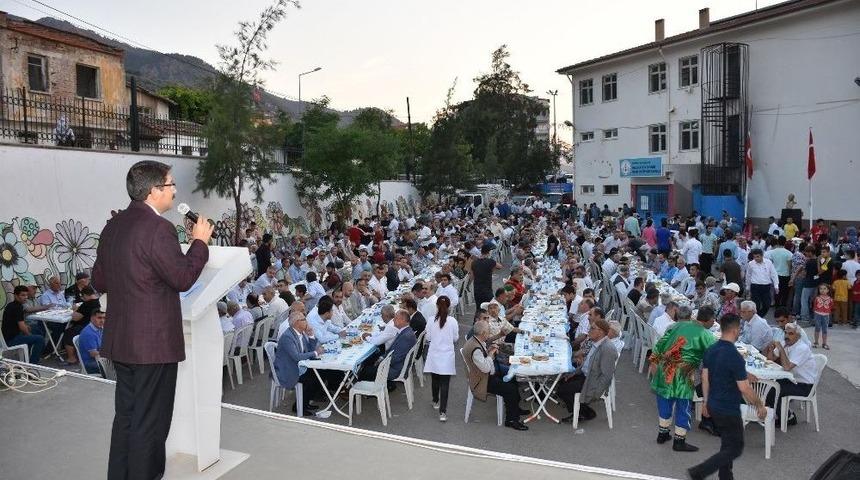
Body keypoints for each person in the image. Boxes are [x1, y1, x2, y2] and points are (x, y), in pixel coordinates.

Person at [92, 160, 212, 480]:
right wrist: (199, 241)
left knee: (127, 419)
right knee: (151, 425)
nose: (175, 191)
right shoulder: (159, 228)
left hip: (122, 343)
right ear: (154, 191)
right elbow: (183, 277)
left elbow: (100, 281)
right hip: (153, 346)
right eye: (171, 185)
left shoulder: (113, 226)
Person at [688, 314, 767, 480]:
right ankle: (700, 471)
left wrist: (705, 402)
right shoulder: (735, 356)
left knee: (727, 443)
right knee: (735, 447)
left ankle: (725, 476)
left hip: (714, 405)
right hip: (728, 408)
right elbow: (744, 388)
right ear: (736, 330)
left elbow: (705, 378)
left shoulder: (711, 350)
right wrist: (760, 404)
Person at [649, 305, 715, 452]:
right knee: (683, 405)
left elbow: (659, 346)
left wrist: (654, 364)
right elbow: (716, 354)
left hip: (665, 369)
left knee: (665, 401)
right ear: (710, 320)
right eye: (713, 320)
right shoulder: (706, 334)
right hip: (684, 373)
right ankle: (679, 440)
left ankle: (663, 433)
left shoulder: (676, 326)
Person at [463, 319, 528, 430]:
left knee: (512, 376)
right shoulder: (475, 349)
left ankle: (515, 408)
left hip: (486, 374)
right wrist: (491, 354)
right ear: (483, 333)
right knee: (510, 389)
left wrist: (489, 350)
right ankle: (511, 420)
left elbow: (484, 358)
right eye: (488, 331)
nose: (489, 333)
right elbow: (486, 368)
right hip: (482, 380)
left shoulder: (476, 340)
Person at [557, 318, 618, 423]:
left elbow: (606, 376)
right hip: (586, 375)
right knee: (562, 380)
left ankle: (583, 413)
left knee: (562, 390)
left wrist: (595, 393)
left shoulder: (607, 349)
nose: (589, 330)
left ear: (601, 332)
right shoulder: (596, 343)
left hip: (592, 381)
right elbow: (586, 365)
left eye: (592, 328)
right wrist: (574, 373)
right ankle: (580, 408)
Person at [764, 322, 818, 427]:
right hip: (792, 379)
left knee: (773, 391)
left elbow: (787, 367)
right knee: (767, 385)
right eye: (786, 333)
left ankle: (789, 417)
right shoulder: (785, 343)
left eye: (791, 334)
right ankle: (774, 413)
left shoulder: (801, 348)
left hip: (804, 385)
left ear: (798, 336)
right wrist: (771, 349)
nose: (787, 336)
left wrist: (781, 349)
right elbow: (770, 360)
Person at [273, 312, 325, 415]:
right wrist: (315, 352)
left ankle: (305, 402)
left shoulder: (300, 333)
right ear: (297, 323)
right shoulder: (288, 337)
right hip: (288, 369)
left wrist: (311, 336)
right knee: (312, 379)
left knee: (321, 373)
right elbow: (296, 356)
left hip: (298, 364)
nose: (306, 321)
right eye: (304, 319)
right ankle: (299, 407)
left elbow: (307, 351)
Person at [423, 296, 459, 422]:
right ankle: (442, 412)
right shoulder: (453, 321)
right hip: (447, 356)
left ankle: (435, 400)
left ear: (437, 306)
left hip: (434, 354)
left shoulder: (430, 320)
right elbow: (455, 338)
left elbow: (428, 338)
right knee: (445, 384)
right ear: (449, 307)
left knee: (435, 379)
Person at [359, 310, 416, 386]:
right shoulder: (406, 331)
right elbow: (394, 352)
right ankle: (385, 386)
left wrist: (381, 362)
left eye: (395, 318)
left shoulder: (406, 336)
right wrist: (382, 358)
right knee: (370, 362)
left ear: (402, 320)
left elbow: (396, 358)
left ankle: (370, 390)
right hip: (398, 365)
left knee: (365, 371)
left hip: (396, 369)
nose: (393, 320)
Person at [1, 285, 45, 364]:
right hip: (11, 339)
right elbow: (22, 327)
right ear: (16, 295)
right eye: (22, 295)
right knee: (39, 339)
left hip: (9, 336)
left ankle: (28, 357)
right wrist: (29, 334)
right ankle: (33, 363)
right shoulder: (18, 307)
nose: (25, 297)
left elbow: (18, 323)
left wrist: (27, 328)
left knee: (35, 330)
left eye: (26, 295)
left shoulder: (11, 305)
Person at [745, 249, 779, 317]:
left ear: (762, 256)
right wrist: (748, 287)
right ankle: (755, 318)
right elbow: (748, 276)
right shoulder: (751, 264)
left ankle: (758, 316)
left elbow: (773, 274)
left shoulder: (768, 262)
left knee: (767, 304)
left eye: (758, 256)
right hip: (755, 286)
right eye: (754, 257)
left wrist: (776, 285)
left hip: (766, 286)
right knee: (756, 305)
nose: (756, 259)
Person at [78, 309, 106, 374]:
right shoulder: (89, 333)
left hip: (100, 359)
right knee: (118, 367)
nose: (102, 320)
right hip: (91, 363)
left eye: (104, 318)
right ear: (92, 318)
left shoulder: (99, 328)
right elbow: (94, 354)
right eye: (99, 318)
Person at [812, 283, 833, 349]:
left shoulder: (830, 299)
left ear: (828, 290)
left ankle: (824, 343)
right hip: (818, 314)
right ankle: (816, 342)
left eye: (824, 289)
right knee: (817, 328)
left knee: (825, 329)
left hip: (826, 315)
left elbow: (831, 306)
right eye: (821, 289)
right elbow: (814, 306)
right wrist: (816, 313)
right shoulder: (817, 298)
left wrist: (827, 312)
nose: (822, 290)